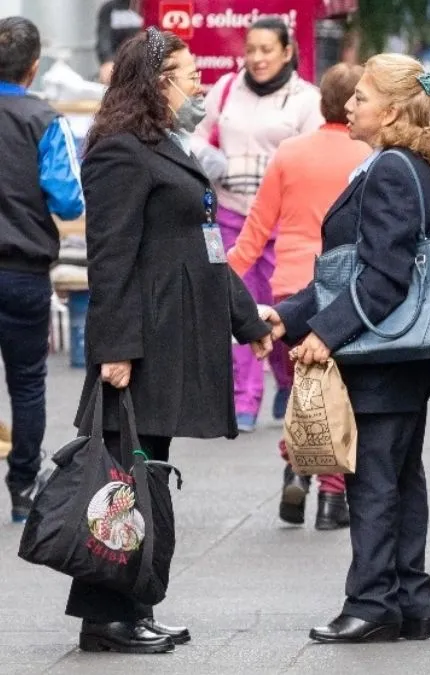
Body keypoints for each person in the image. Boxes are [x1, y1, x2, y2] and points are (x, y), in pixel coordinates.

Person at [72, 27, 272, 653]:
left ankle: (130, 607)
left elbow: (207, 250)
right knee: (127, 479)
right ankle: (110, 615)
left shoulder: (162, 144)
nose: (199, 84)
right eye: (188, 74)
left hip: (169, 334)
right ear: (157, 83)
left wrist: (249, 321)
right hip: (141, 339)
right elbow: (109, 258)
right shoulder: (119, 151)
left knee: (142, 474)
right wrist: (113, 349)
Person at [263, 54, 430, 644]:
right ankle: (407, 600)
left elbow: (382, 275)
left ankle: (373, 602)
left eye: (362, 98)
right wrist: (292, 315)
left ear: (393, 110)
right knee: (400, 478)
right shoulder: (400, 163)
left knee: (374, 482)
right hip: (399, 359)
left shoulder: (392, 169)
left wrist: (323, 332)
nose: (349, 105)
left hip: (383, 358)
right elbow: (345, 272)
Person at [226, 64, 371, 531]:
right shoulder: (371, 155)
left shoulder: (289, 153)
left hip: (289, 292)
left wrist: (224, 281)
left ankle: (296, 465)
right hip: (345, 289)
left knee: (300, 390)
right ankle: (332, 497)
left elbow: (256, 229)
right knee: (338, 396)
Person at [192, 17, 323, 434]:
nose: (257, 58)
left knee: (283, 308)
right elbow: (195, 133)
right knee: (241, 305)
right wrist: (211, 162)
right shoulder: (226, 90)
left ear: (287, 52)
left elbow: (313, 156)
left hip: (285, 225)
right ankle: (244, 400)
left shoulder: (307, 99)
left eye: (267, 50)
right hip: (232, 214)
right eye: (251, 50)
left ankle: (286, 380)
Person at [0, 16, 85, 523]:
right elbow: (69, 202)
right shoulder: (45, 120)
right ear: (33, 68)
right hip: (22, 270)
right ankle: (22, 483)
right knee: (27, 382)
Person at [96, 0, 143, 84]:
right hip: (117, 64)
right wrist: (107, 61)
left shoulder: (148, 6)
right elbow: (104, 38)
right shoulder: (109, 8)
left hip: (144, 62)